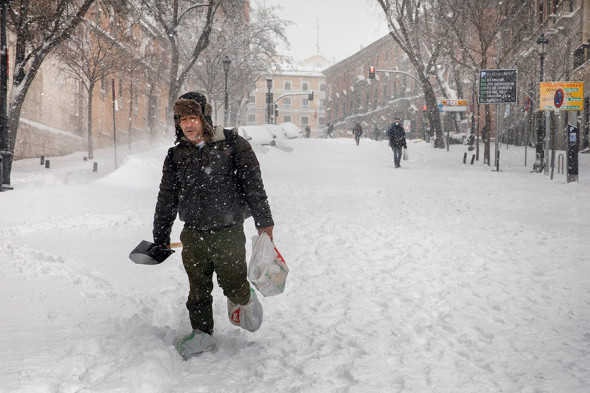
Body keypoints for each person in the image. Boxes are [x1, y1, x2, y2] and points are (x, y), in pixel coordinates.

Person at [153, 92, 274, 359]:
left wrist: (265, 223)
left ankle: (244, 298)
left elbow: (253, 186)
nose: (188, 124)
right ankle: (202, 334)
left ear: (204, 118)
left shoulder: (232, 145)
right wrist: (160, 235)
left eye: (193, 117)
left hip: (228, 230)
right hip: (193, 233)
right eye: (182, 119)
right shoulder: (176, 155)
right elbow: (166, 197)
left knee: (232, 284)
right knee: (198, 288)